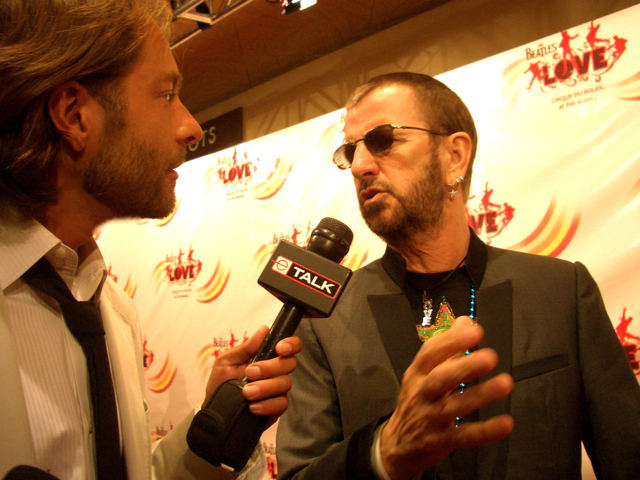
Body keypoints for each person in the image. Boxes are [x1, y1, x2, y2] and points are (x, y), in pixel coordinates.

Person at [276, 72, 640, 479]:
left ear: (455, 156)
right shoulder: (322, 320)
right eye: (349, 150)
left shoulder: (562, 291)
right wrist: (379, 456)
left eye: (382, 139)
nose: (359, 165)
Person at [0, 1, 301, 479]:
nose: (190, 128)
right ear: (75, 115)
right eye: (166, 95)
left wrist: (210, 426)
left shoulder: (111, 308)